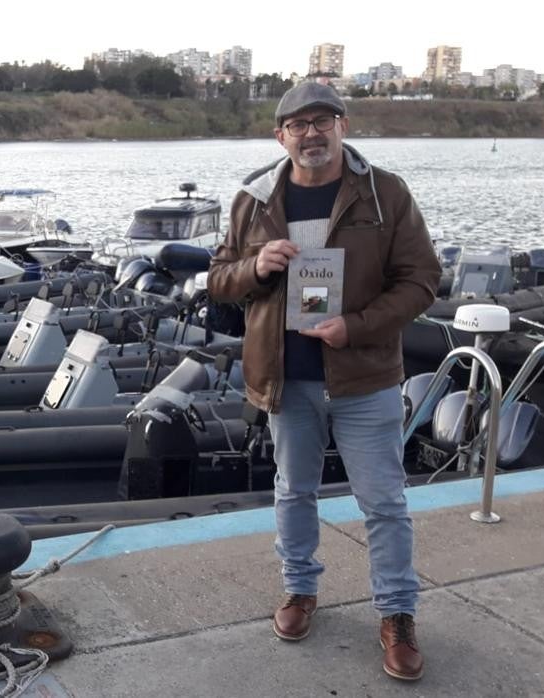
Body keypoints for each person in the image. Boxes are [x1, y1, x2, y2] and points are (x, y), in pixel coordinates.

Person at [207, 81, 441, 681]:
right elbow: (219, 279)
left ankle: (396, 613)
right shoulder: (254, 198)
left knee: (385, 503)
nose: (312, 132)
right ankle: (300, 590)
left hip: (364, 377)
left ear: (343, 125)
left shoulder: (384, 193)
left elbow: (421, 280)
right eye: (298, 123)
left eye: (323, 120)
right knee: (293, 492)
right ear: (279, 135)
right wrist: (255, 267)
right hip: (287, 378)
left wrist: (356, 325)